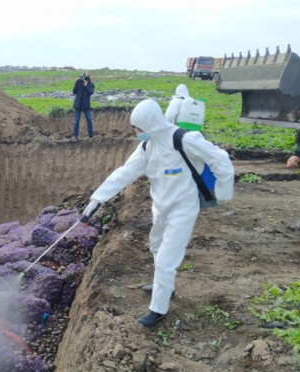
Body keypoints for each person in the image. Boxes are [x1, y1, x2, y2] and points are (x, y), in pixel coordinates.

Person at [80, 99, 234, 328]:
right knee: (155, 245)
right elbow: (124, 173)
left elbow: (220, 158)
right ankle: (164, 285)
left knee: (165, 260)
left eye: (139, 128)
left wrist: (223, 191)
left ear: (151, 123)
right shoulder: (146, 147)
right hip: (160, 206)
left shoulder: (184, 139)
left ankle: (158, 309)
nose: (137, 133)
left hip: (183, 209)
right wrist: (97, 199)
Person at [72, 73, 95, 139]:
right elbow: (74, 91)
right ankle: (75, 136)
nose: (85, 80)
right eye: (85, 78)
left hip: (86, 105)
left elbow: (91, 92)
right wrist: (76, 82)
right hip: (78, 104)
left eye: (87, 79)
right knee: (76, 121)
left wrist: (86, 86)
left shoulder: (91, 84)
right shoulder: (79, 83)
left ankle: (91, 136)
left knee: (89, 120)